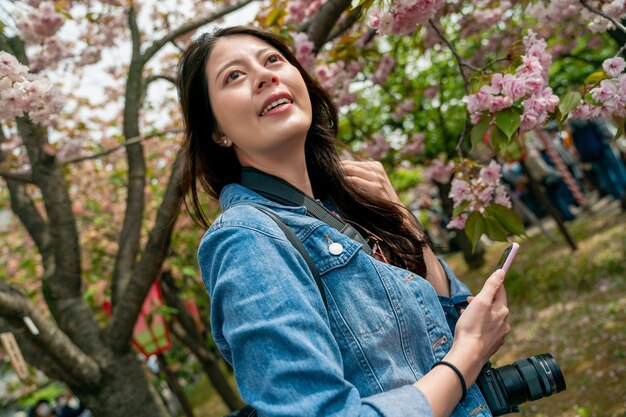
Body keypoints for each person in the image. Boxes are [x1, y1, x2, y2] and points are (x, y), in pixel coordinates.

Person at [177, 26, 510, 417]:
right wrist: (466, 358)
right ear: (217, 132)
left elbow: (449, 323)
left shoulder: (346, 206)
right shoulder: (245, 240)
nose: (265, 75)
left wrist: (403, 222)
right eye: (233, 75)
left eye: (272, 60)